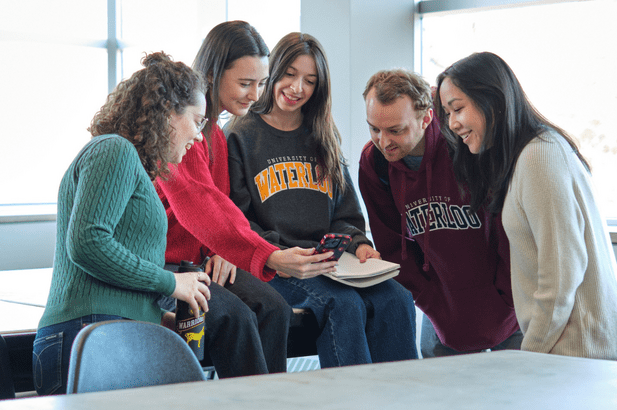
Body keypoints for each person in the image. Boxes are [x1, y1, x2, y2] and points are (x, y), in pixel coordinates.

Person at [226, 33, 418, 368]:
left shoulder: (323, 134)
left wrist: (359, 245)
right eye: (289, 73)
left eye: (310, 80)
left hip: (332, 262)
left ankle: (402, 397)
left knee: (398, 300)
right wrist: (276, 254)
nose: (297, 87)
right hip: (282, 264)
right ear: (271, 71)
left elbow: (345, 211)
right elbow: (237, 219)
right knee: (343, 306)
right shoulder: (240, 135)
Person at [155, 20, 332, 377]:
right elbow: (199, 205)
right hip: (165, 268)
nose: (255, 94)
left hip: (201, 262)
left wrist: (222, 249)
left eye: (261, 83)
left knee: (275, 308)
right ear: (213, 74)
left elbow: (222, 206)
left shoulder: (215, 135)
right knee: (235, 317)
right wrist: (269, 254)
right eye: (245, 83)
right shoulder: (180, 130)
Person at [435, 51, 617, 360]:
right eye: (447, 113)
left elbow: (560, 276)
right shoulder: (527, 157)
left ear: (495, 100)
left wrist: (528, 355)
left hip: (584, 353)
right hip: (570, 351)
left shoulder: (539, 155)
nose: (452, 124)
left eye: (458, 109)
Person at [33, 52, 213, 395]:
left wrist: (157, 318)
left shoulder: (133, 166)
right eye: (198, 121)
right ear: (168, 113)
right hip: (91, 334)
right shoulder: (114, 150)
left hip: (105, 333)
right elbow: (87, 243)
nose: (201, 137)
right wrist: (171, 283)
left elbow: (114, 276)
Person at [358, 69, 521, 357]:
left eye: (396, 130)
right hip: (443, 311)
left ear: (426, 117)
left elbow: (511, 233)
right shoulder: (375, 163)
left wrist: (507, 298)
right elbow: (391, 245)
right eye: (374, 129)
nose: (384, 142)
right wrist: (430, 300)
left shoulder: (469, 144)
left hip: (510, 309)